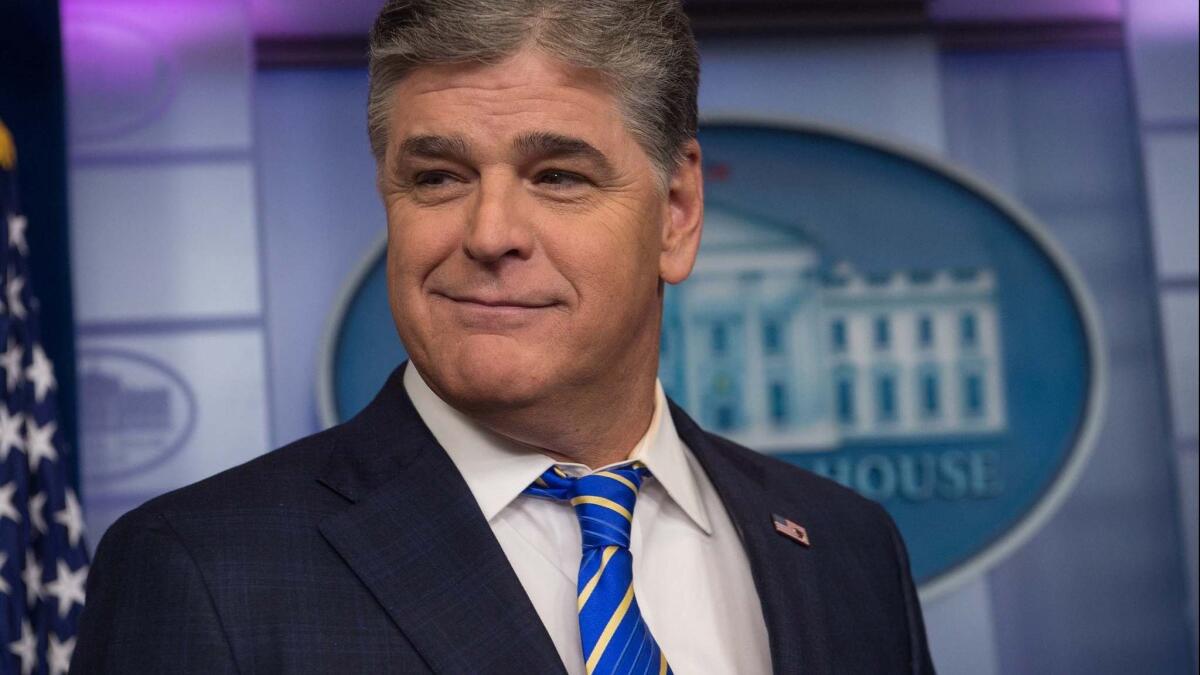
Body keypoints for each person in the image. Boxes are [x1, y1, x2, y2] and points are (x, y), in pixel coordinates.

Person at [72, 1, 934, 673]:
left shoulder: (846, 550)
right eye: (438, 176)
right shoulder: (204, 570)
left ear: (676, 214)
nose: (489, 233)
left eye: (557, 176)